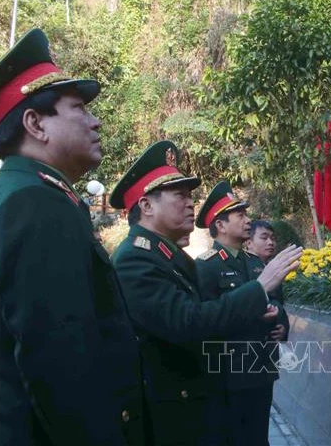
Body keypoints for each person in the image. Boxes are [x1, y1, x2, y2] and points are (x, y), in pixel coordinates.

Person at [0, 28, 147, 445]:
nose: (95, 120)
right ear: (34, 123)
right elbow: (61, 366)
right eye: (78, 108)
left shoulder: (20, 194)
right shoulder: (36, 205)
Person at [109, 142, 301, 445]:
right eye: (180, 196)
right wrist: (260, 287)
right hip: (175, 411)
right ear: (146, 206)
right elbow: (189, 322)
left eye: (190, 196)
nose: (190, 204)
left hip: (217, 390)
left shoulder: (168, 255)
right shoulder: (135, 259)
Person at [195, 182, 289, 446]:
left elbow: (278, 301)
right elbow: (207, 318)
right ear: (221, 225)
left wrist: (280, 320)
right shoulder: (205, 267)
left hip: (262, 367)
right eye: (241, 216)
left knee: (258, 437)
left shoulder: (256, 263)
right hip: (229, 373)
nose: (248, 221)